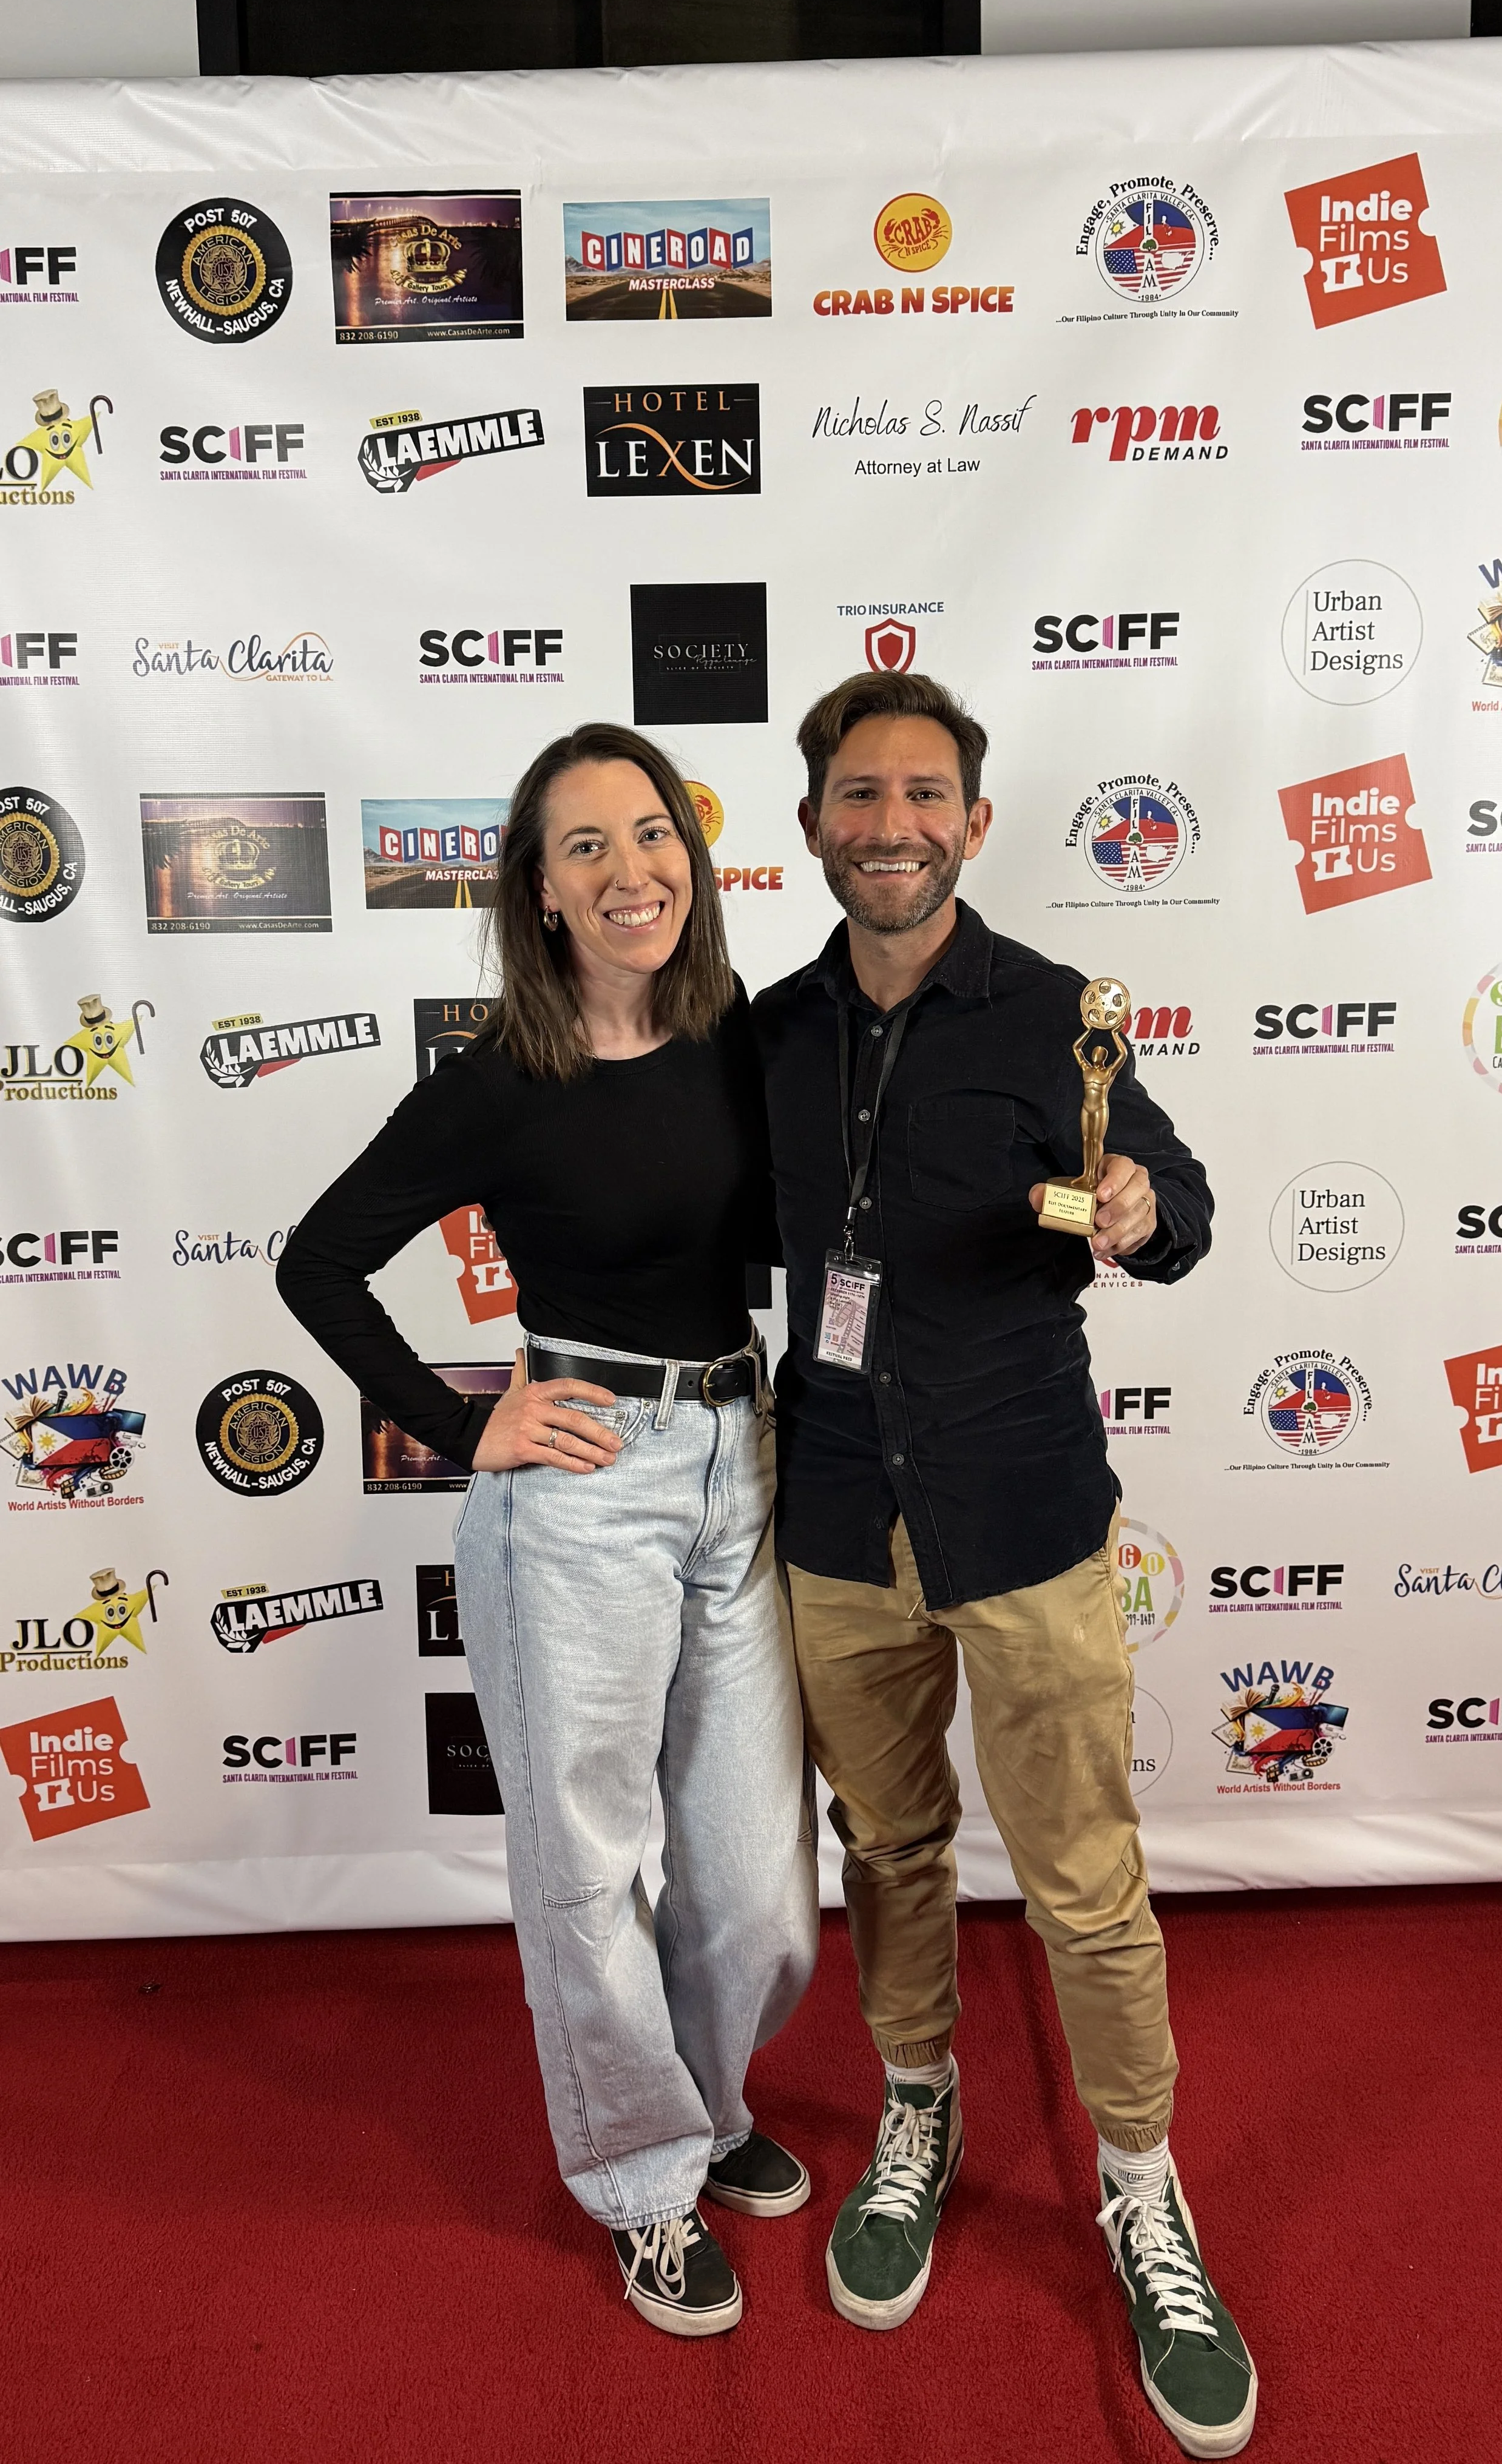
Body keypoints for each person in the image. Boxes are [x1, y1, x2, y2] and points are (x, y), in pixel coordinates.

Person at [750, 673, 1256, 2460]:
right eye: (857, 792)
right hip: (835, 1524)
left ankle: (1138, 2181)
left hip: (1030, 1522)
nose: (888, 822)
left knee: (1082, 1883)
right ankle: (915, 2102)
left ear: (972, 820)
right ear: (813, 820)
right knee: (884, 1844)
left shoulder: (1057, 1019)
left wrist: (1143, 1212)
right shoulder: (774, 1031)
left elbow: (1177, 1194)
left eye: (923, 794)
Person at [277, 723, 817, 2338]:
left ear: (690, 859)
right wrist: (461, 1421)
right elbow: (318, 1261)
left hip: (743, 1456)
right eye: (582, 846)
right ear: (539, 889)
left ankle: (706, 2103)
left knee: (758, 1888)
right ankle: (643, 2177)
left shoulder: (744, 1042)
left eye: (647, 833)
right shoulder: (498, 1078)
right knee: (588, 1867)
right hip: (580, 1483)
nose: (626, 868)